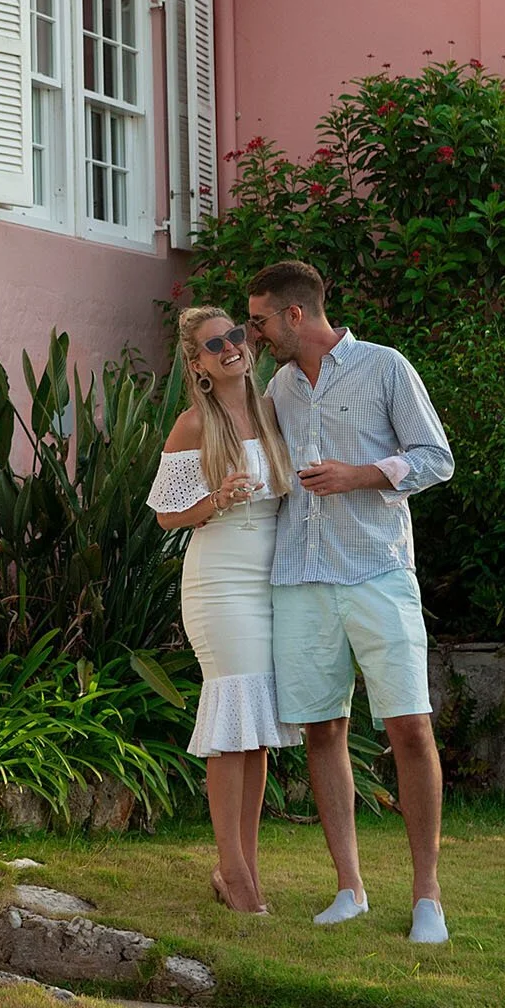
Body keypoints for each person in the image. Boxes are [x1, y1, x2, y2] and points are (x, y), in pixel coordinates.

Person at [246, 261, 456, 946]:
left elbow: (436, 456)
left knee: (411, 731)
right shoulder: (278, 385)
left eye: (261, 321)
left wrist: (360, 475)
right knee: (321, 729)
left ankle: (427, 895)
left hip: (377, 572)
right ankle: (350, 887)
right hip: (301, 576)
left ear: (296, 316)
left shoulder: (386, 368)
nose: (257, 333)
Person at [146, 305, 299, 915]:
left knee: (256, 733)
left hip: (270, 584)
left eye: (237, 335)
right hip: (220, 584)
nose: (232, 347)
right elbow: (165, 515)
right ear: (200, 365)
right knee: (235, 722)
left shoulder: (272, 411)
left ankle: (244, 866)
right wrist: (215, 497)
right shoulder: (191, 425)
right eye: (216, 346)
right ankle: (232, 872)